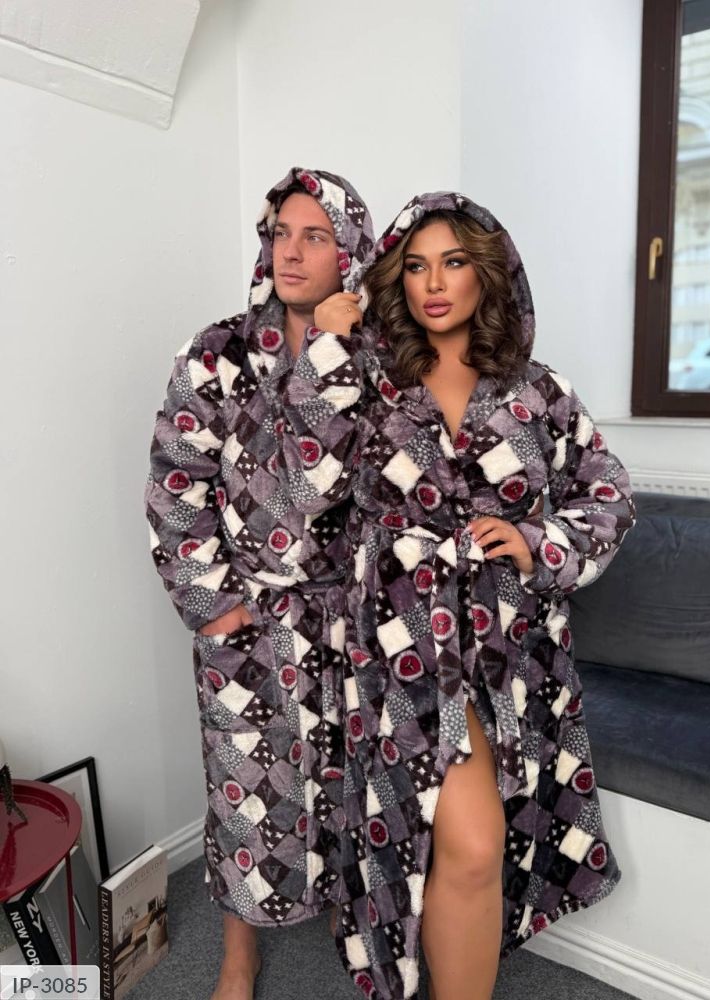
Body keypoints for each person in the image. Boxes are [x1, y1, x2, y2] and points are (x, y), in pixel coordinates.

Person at [278, 192, 637, 1000]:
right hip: (400, 641)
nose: (433, 283)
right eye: (415, 266)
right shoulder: (369, 379)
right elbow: (304, 487)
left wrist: (541, 540)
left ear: (489, 273)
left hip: (514, 647)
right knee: (465, 841)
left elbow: (609, 493)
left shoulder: (538, 392)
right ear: (395, 279)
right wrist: (327, 350)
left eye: (454, 262)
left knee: (474, 845)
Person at [144, 167, 373, 1000]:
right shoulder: (218, 353)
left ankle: (354, 925)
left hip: (348, 620)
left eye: (316, 236)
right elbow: (177, 482)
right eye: (281, 233)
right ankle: (237, 956)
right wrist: (211, 606)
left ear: (351, 252)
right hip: (248, 615)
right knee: (246, 793)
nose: (291, 252)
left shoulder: (383, 359)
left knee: (352, 786)